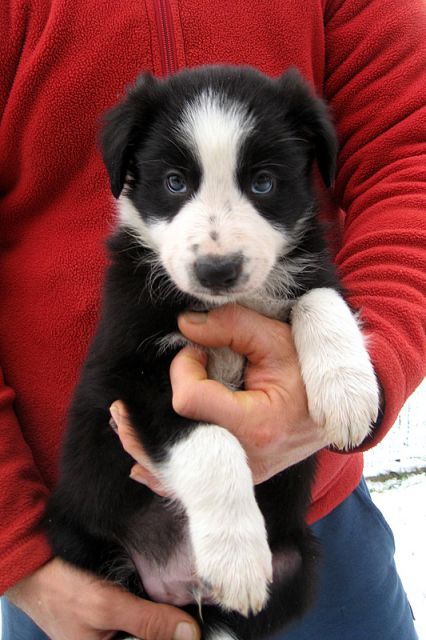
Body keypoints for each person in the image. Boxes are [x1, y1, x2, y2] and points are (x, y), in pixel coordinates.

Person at [0, 0, 424, 639]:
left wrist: (370, 347)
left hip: (304, 522)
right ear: (126, 173)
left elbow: (409, 155)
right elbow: (135, 387)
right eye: (176, 183)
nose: (217, 248)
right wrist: (14, 552)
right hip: (85, 555)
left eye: (262, 183)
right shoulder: (140, 283)